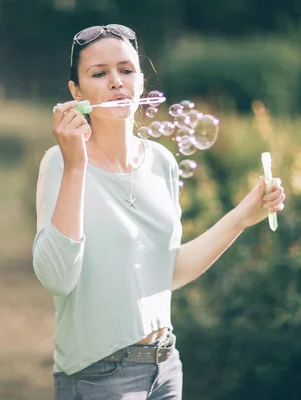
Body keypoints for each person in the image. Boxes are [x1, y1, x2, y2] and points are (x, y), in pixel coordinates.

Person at [32, 24, 286, 400]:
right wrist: (75, 167)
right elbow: (56, 277)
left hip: (165, 367)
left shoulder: (161, 162)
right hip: (99, 375)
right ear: (76, 92)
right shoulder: (60, 164)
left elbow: (167, 273)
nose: (116, 82)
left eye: (126, 70)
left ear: (141, 80)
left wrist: (241, 218)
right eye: (99, 74)